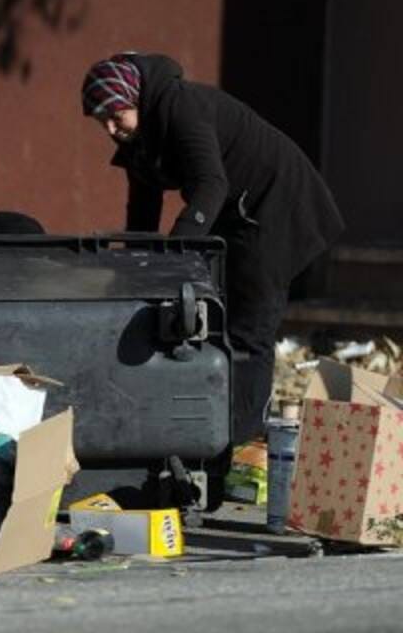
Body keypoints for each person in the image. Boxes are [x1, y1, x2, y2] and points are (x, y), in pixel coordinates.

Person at [81, 52, 344, 443]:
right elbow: (143, 207)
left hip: (275, 205)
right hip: (231, 214)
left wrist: (177, 252)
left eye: (115, 115)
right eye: (101, 120)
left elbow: (210, 183)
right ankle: (203, 428)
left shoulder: (180, 106)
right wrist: (133, 266)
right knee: (209, 321)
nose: (110, 128)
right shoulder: (138, 136)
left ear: (136, 98)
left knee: (248, 327)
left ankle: (241, 442)